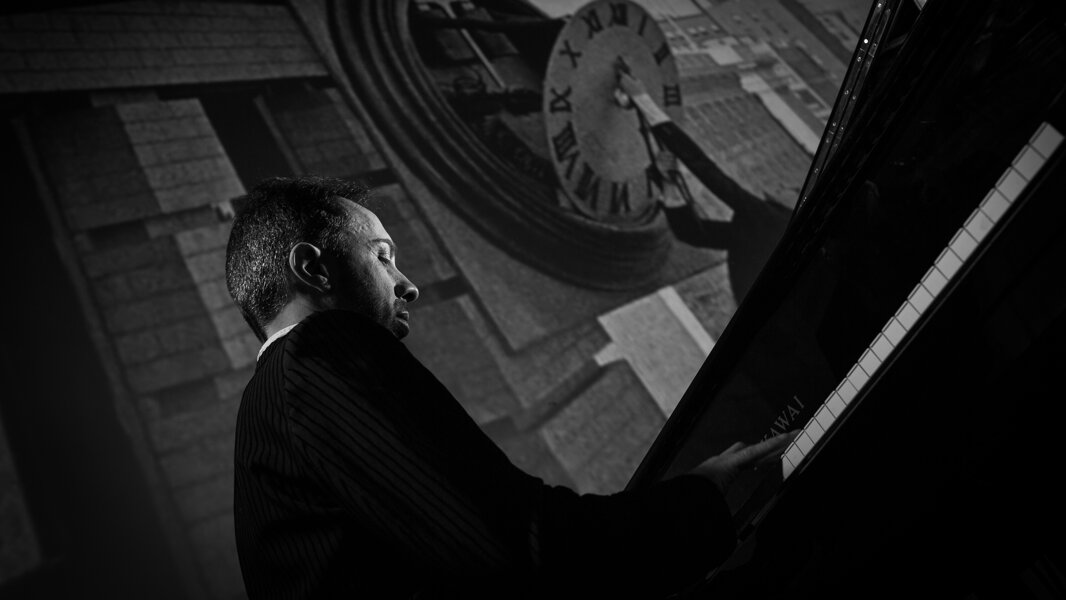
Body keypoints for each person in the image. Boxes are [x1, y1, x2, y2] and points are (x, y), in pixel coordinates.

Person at [226, 176, 795, 599]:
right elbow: (512, 546)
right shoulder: (322, 350)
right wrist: (700, 500)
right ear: (314, 269)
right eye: (382, 257)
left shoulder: (269, 403)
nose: (408, 285)